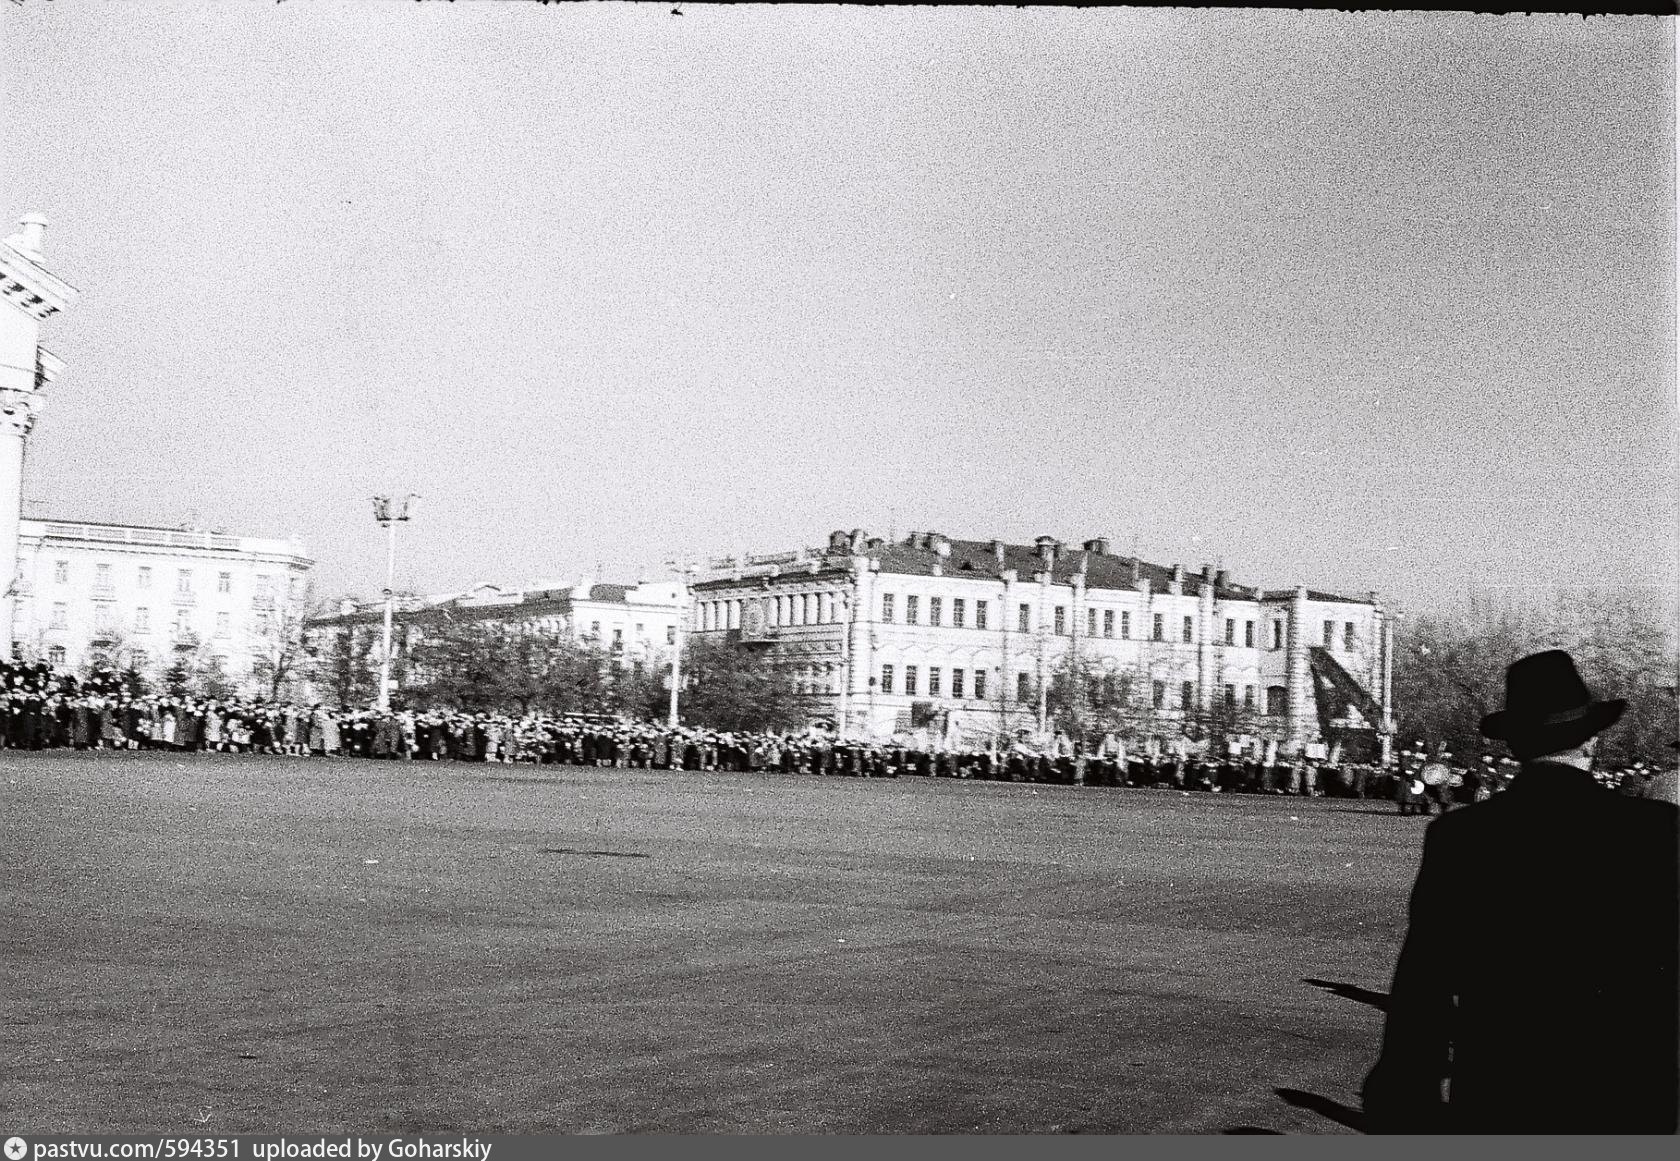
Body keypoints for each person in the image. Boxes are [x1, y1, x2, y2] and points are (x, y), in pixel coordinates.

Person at [1362, 650, 1678, 1134]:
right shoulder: (1656, 830)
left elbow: (1426, 977)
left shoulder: (1462, 835)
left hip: (1504, 1083)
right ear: (1592, 740)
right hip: (1627, 1083)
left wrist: (1406, 1085)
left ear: (1515, 745)